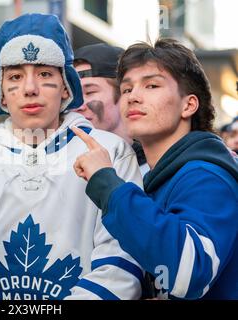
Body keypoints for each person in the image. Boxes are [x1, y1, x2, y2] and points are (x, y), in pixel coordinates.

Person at [0, 13, 143, 300]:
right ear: (2, 94)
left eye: (45, 74)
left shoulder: (110, 153)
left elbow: (121, 268)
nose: (30, 88)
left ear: (66, 88)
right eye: (16, 76)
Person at [72, 38, 238, 299]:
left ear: (188, 105)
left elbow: (189, 273)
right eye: (126, 89)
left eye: (151, 85)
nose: (133, 97)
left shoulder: (207, 174)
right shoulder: (160, 175)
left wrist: (108, 184)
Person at [73, 43, 148, 174]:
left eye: (90, 92)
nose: (78, 106)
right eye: (72, 96)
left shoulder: (155, 167)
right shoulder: (63, 165)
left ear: (125, 93)